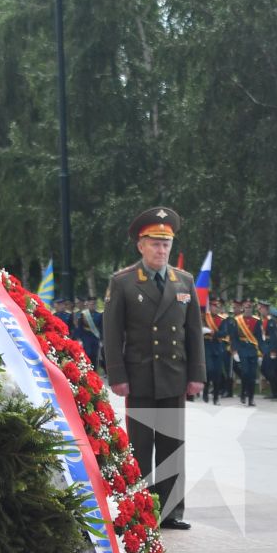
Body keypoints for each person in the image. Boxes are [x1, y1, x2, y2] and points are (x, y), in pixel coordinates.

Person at [103, 207, 204, 528]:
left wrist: (197, 375)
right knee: (140, 449)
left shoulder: (183, 281)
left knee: (172, 446)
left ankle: (171, 512)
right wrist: (117, 375)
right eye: (155, 244)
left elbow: (193, 334)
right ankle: (140, 511)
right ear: (141, 246)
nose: (161, 250)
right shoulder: (124, 282)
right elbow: (111, 332)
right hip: (140, 377)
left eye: (166, 245)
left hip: (174, 377)